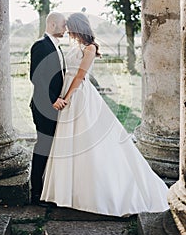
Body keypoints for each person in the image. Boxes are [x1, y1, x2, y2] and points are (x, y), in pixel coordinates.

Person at [40, 12, 169, 216]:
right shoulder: (74, 47)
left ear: (78, 27)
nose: (67, 30)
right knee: (68, 141)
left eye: (70, 27)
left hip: (78, 95)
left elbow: (81, 76)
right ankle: (66, 193)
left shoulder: (90, 48)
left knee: (87, 140)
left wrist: (67, 96)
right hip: (66, 93)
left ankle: (96, 194)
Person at [30, 12, 67, 206]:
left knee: (51, 148)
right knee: (43, 147)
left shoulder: (57, 47)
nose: (66, 28)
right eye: (63, 25)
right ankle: (35, 193)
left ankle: (47, 189)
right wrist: (53, 100)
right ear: (52, 24)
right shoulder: (40, 45)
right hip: (43, 106)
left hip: (54, 106)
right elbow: (36, 77)